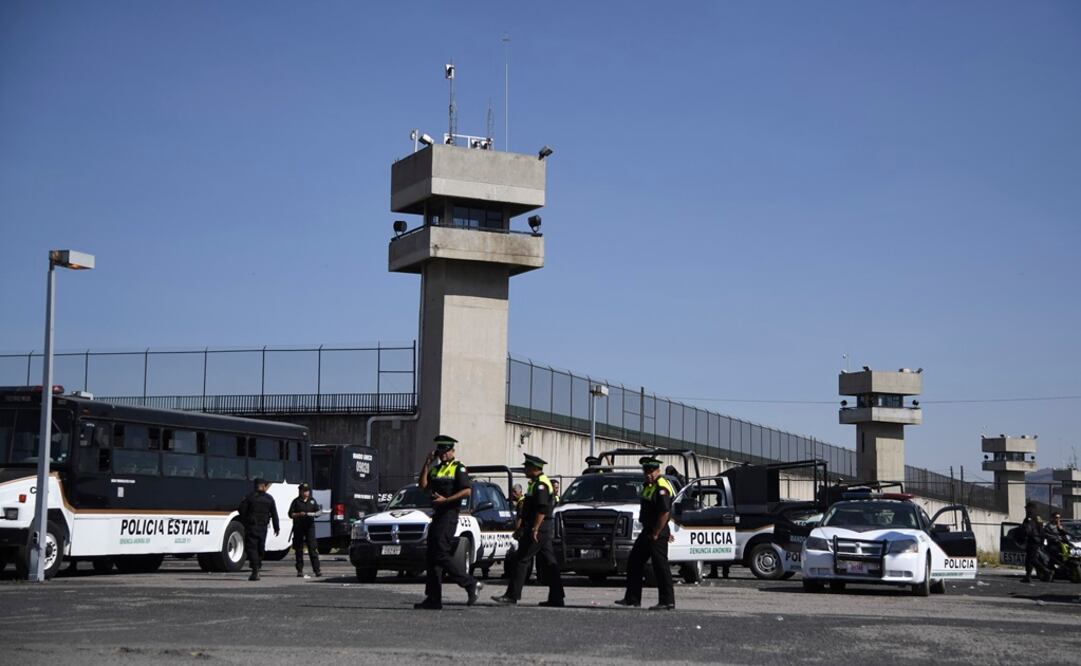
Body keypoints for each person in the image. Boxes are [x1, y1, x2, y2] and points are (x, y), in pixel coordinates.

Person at [414, 435, 482, 610]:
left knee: (440, 553)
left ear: (452, 451)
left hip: (449, 514)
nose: (442, 454)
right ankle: (433, 598)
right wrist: (427, 463)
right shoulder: (436, 469)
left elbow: (466, 491)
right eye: (440, 451)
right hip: (437, 515)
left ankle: (470, 583)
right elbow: (422, 486)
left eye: (445, 451)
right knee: (432, 557)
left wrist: (446, 500)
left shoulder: (458, 468)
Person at [492, 454, 566, 607]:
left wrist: (535, 528)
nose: (524, 469)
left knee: (521, 559)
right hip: (540, 527)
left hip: (539, 527)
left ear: (534, 468)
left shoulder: (541, 485)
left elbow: (542, 509)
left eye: (526, 467)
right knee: (549, 562)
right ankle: (557, 597)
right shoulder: (536, 483)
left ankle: (512, 596)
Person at [615, 456, 676, 610]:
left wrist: (657, 532)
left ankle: (667, 601)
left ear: (658, 471)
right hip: (647, 531)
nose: (649, 474)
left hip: (657, 532)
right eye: (646, 471)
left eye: (652, 471)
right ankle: (632, 598)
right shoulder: (649, 486)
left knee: (660, 567)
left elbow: (665, 512)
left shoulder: (661, 487)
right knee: (634, 562)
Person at [238, 478, 280, 581]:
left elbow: (241, 510)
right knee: (260, 547)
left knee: (252, 548)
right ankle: (257, 567)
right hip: (263, 527)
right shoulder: (269, 498)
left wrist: (246, 520)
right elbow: (274, 514)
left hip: (252, 526)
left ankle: (255, 569)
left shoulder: (249, 497)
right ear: (264, 486)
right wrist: (276, 527)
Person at [288, 482, 322, 578]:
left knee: (312, 548)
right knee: (299, 549)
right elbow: (290, 514)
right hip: (299, 527)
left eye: (307, 491)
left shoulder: (312, 501)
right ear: (300, 491)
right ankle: (299, 570)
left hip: (309, 527)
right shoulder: (296, 502)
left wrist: (317, 513)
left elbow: (318, 511)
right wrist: (299, 514)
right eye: (304, 491)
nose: (306, 493)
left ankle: (317, 570)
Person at [1019, 502, 1044, 583]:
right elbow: (1041, 531)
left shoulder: (1030, 518)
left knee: (1030, 559)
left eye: (1027, 508)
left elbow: (1026, 530)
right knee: (1031, 559)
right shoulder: (1037, 518)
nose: (1026, 510)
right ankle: (1028, 576)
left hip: (1033, 541)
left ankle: (1045, 571)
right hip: (1034, 541)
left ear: (1031, 508)